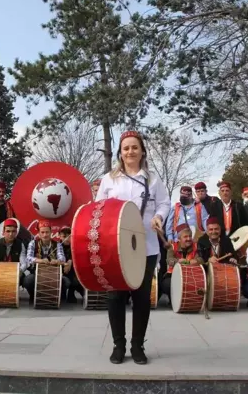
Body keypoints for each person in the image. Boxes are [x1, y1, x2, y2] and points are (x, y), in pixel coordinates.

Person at [95, 130, 170, 365]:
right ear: (120, 152)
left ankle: (138, 345)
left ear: (142, 151)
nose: (130, 151)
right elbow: (99, 209)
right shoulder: (109, 179)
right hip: (115, 248)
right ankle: (119, 344)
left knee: (141, 297)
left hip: (145, 246)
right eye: (126, 148)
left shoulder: (153, 180)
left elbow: (165, 203)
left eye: (134, 147)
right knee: (115, 296)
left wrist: (158, 216)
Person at [26, 220, 70, 301]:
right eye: (42, 232)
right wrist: (40, 260)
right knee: (28, 281)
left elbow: (62, 258)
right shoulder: (33, 243)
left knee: (66, 281)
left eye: (47, 232)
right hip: (37, 273)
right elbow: (28, 258)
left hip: (53, 274)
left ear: (51, 233)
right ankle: (34, 296)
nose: (45, 235)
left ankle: (58, 297)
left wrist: (56, 261)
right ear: (38, 233)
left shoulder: (57, 244)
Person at [0, 219, 31, 299]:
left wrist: (19, 271)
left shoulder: (20, 245)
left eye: (13, 231)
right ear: (3, 232)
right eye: (8, 231)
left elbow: (24, 263)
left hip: (15, 275)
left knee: (28, 280)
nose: (11, 234)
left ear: (16, 232)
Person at [161, 223, 199, 303]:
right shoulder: (173, 247)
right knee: (167, 284)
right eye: (185, 237)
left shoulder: (196, 246)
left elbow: (200, 260)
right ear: (179, 238)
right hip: (174, 275)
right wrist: (178, 261)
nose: (188, 239)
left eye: (189, 236)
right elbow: (169, 260)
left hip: (191, 275)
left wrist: (187, 261)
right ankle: (173, 300)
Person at [59, 226, 83, 303]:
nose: (67, 239)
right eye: (64, 236)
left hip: (73, 273)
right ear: (59, 236)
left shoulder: (75, 246)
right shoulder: (57, 246)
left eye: (69, 236)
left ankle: (71, 293)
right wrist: (65, 263)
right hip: (60, 272)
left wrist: (71, 261)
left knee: (75, 275)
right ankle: (63, 294)